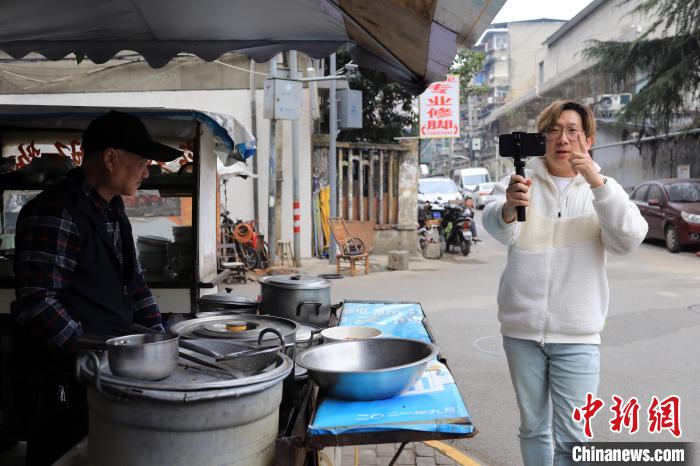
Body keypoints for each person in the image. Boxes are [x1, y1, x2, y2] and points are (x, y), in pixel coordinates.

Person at [11, 110, 182, 465]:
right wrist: (90, 354)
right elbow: (38, 302)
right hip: (65, 383)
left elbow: (134, 286)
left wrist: (162, 339)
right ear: (110, 158)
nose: (147, 172)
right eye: (142, 162)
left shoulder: (112, 209)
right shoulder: (56, 212)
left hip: (106, 379)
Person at [482, 100, 648, 466]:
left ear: (588, 139)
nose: (563, 138)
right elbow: (497, 227)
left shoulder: (604, 189)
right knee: (533, 428)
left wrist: (597, 183)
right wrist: (509, 207)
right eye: (554, 130)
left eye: (573, 130)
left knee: (575, 436)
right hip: (521, 332)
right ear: (542, 137)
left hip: (578, 336)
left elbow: (629, 240)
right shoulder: (521, 177)